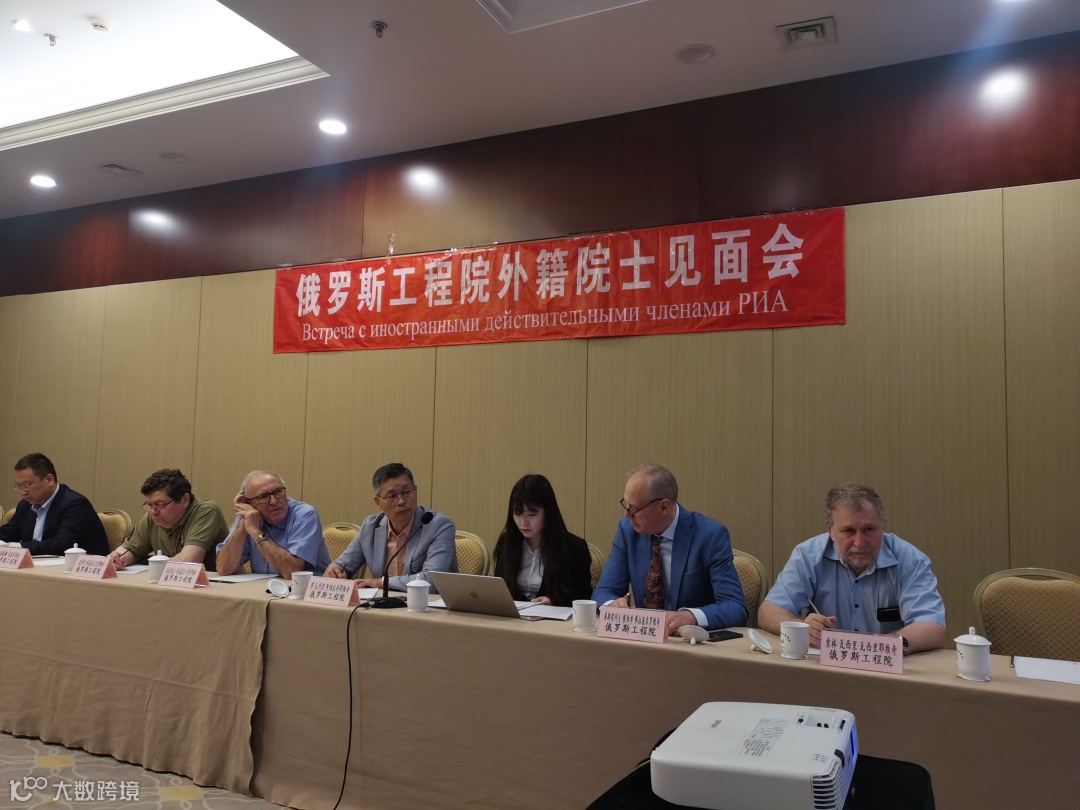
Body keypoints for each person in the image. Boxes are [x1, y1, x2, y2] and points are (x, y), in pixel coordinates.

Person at [758, 483, 946, 654]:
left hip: (889, 667)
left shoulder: (911, 560)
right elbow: (768, 611)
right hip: (825, 667)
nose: (859, 542)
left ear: (883, 525)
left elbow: (932, 626)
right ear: (830, 530)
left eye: (869, 529)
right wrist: (802, 628)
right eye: (848, 531)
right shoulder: (808, 555)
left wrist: (889, 644)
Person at [592, 464, 747, 635]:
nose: (626, 515)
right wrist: (612, 605)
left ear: (664, 507)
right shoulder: (628, 531)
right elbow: (604, 591)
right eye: (626, 505)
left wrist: (692, 617)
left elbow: (735, 607)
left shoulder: (710, 536)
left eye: (634, 509)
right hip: (644, 638)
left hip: (688, 641)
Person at [326, 462, 456, 592]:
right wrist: (335, 571)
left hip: (429, 603)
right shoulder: (370, 527)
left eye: (406, 492)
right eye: (392, 496)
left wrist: (381, 582)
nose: (402, 501)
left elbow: (431, 581)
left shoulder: (439, 526)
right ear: (378, 502)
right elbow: (343, 564)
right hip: (385, 603)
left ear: (415, 491)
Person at [492, 474, 592, 607]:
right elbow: (501, 590)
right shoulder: (506, 543)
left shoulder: (574, 548)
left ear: (548, 512)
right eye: (517, 513)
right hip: (513, 617)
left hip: (553, 619)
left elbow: (584, 597)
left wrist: (553, 601)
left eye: (531, 514)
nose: (523, 522)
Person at [215, 471, 330, 578]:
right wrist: (242, 525)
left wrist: (256, 532)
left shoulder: (304, 514)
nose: (274, 501)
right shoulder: (249, 517)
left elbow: (292, 571)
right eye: (264, 496)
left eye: (278, 491)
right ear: (249, 503)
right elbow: (224, 568)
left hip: (306, 591)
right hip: (265, 589)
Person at [107, 469, 228, 571]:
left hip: (215, 586)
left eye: (160, 505)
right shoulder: (153, 517)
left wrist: (155, 565)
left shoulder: (206, 511)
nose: (153, 512)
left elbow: (188, 561)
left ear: (185, 500)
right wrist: (118, 558)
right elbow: (128, 551)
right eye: (150, 505)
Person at [0, 453, 107, 556]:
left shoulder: (75, 504)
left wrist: (15, 547)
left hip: (78, 566)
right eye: (19, 486)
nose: (23, 492)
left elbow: (61, 544)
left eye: (27, 485)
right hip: (39, 564)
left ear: (49, 480)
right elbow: (8, 533)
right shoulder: (25, 505)